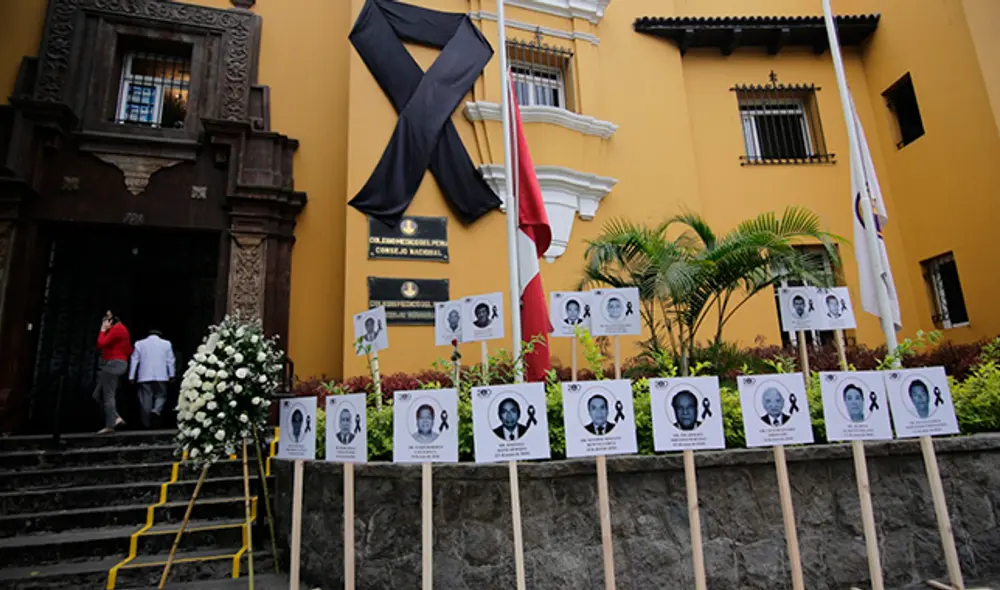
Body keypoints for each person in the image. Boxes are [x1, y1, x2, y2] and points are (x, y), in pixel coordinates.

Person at [93, 310, 132, 434]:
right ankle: (116, 418)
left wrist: (103, 330)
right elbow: (129, 350)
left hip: (113, 363)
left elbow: (101, 343)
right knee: (97, 394)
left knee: (107, 394)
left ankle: (110, 425)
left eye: (106, 320)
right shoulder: (123, 330)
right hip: (118, 363)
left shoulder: (117, 329)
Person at [129, 329, 176, 429]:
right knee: (161, 395)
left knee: (145, 399)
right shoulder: (166, 344)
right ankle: (156, 410)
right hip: (161, 375)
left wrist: (131, 376)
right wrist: (172, 374)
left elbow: (134, 360)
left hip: (144, 376)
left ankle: (147, 424)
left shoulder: (139, 344)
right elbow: (170, 360)